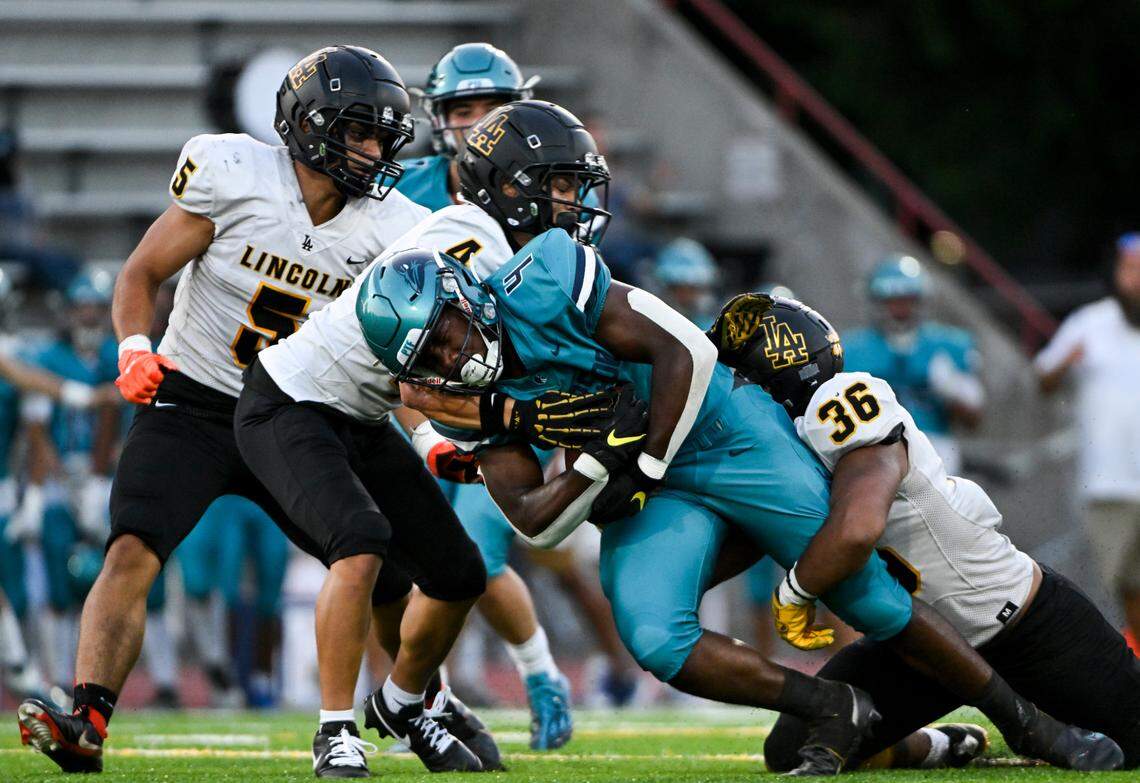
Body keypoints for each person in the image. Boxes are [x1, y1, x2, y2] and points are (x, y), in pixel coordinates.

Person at [357, 106, 1122, 774]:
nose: (451, 359)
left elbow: (685, 353)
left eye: (451, 337)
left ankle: (1030, 725)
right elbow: (536, 516)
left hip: (719, 432)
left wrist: (637, 451)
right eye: (430, 358)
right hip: (647, 477)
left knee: (862, 591)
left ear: (468, 297)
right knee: (655, 634)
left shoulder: (547, 275)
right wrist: (594, 456)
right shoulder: (460, 390)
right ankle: (831, 706)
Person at [15, 45, 436, 777]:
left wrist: (425, 430)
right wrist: (135, 346)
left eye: (381, 135)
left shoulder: (394, 226)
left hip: (300, 413)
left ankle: (417, 710)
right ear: (309, 126)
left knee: (382, 569)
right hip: (197, 400)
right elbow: (143, 270)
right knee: (131, 546)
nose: (373, 150)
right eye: (359, 131)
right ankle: (87, 717)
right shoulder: (234, 174)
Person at [708, 293, 1140, 770]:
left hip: (1022, 623)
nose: (733, 390)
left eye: (738, 375)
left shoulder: (841, 402)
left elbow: (857, 528)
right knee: (791, 747)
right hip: (919, 644)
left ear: (774, 373)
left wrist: (794, 592)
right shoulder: (785, 441)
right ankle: (944, 745)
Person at [1036, 232, 1140, 653]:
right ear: (1115, 273)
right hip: (1107, 484)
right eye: (1130, 268)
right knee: (1103, 592)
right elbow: (1042, 377)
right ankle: (1103, 681)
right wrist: (1062, 364)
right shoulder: (1089, 322)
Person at [843, 255, 983, 473]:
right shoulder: (852, 348)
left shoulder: (948, 345)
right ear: (877, 301)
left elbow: (973, 419)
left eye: (907, 299)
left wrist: (954, 389)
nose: (900, 309)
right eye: (892, 300)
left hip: (934, 443)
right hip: (870, 444)